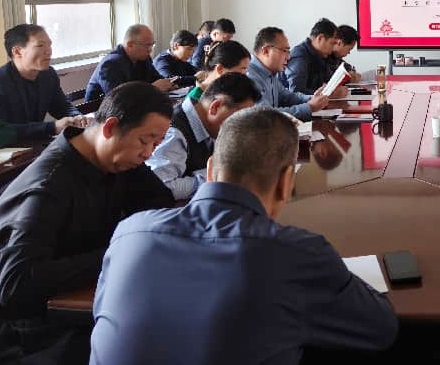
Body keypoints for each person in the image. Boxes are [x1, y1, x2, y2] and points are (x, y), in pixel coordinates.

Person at [90, 107, 398, 364]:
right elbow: (381, 329)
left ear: (210, 169)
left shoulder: (129, 233)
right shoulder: (295, 253)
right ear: (286, 182)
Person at [0, 82, 174, 360]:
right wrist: (119, 252)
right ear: (110, 127)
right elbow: (16, 285)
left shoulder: (117, 159)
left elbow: (160, 203)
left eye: (156, 144)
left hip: (75, 298)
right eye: (144, 141)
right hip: (25, 329)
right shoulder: (48, 186)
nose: (148, 153)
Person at [147, 73, 260, 200]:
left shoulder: (209, 124)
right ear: (215, 107)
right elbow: (162, 186)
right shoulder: (174, 133)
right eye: (238, 118)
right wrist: (213, 175)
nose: (240, 126)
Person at [0, 24, 87, 142]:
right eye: (40, 45)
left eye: (49, 45)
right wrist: (52, 128)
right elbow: (0, 133)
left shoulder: (48, 74)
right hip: (11, 148)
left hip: (38, 143)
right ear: (17, 51)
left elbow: (61, 106)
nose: (49, 51)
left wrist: (77, 117)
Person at [247, 27, 329, 121]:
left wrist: (314, 98)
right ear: (265, 51)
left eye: (288, 52)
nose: (288, 57)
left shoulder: (270, 72)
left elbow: (288, 97)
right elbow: (266, 115)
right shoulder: (249, 76)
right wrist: (309, 107)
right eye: (284, 51)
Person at [85, 24, 175, 101]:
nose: (150, 50)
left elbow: (156, 79)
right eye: (147, 45)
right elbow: (118, 99)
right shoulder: (110, 64)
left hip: (137, 107)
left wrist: (169, 84)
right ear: (130, 45)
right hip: (100, 112)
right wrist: (153, 88)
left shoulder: (143, 58)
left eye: (152, 44)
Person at [285, 18, 348, 97]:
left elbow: (329, 81)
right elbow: (296, 92)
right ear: (320, 38)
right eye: (332, 43)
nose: (333, 48)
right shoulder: (299, 56)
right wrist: (329, 94)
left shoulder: (321, 55)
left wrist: (334, 89)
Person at [186, 39, 252, 102]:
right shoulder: (195, 101)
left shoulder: (224, 92)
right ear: (220, 69)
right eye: (243, 69)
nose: (246, 74)